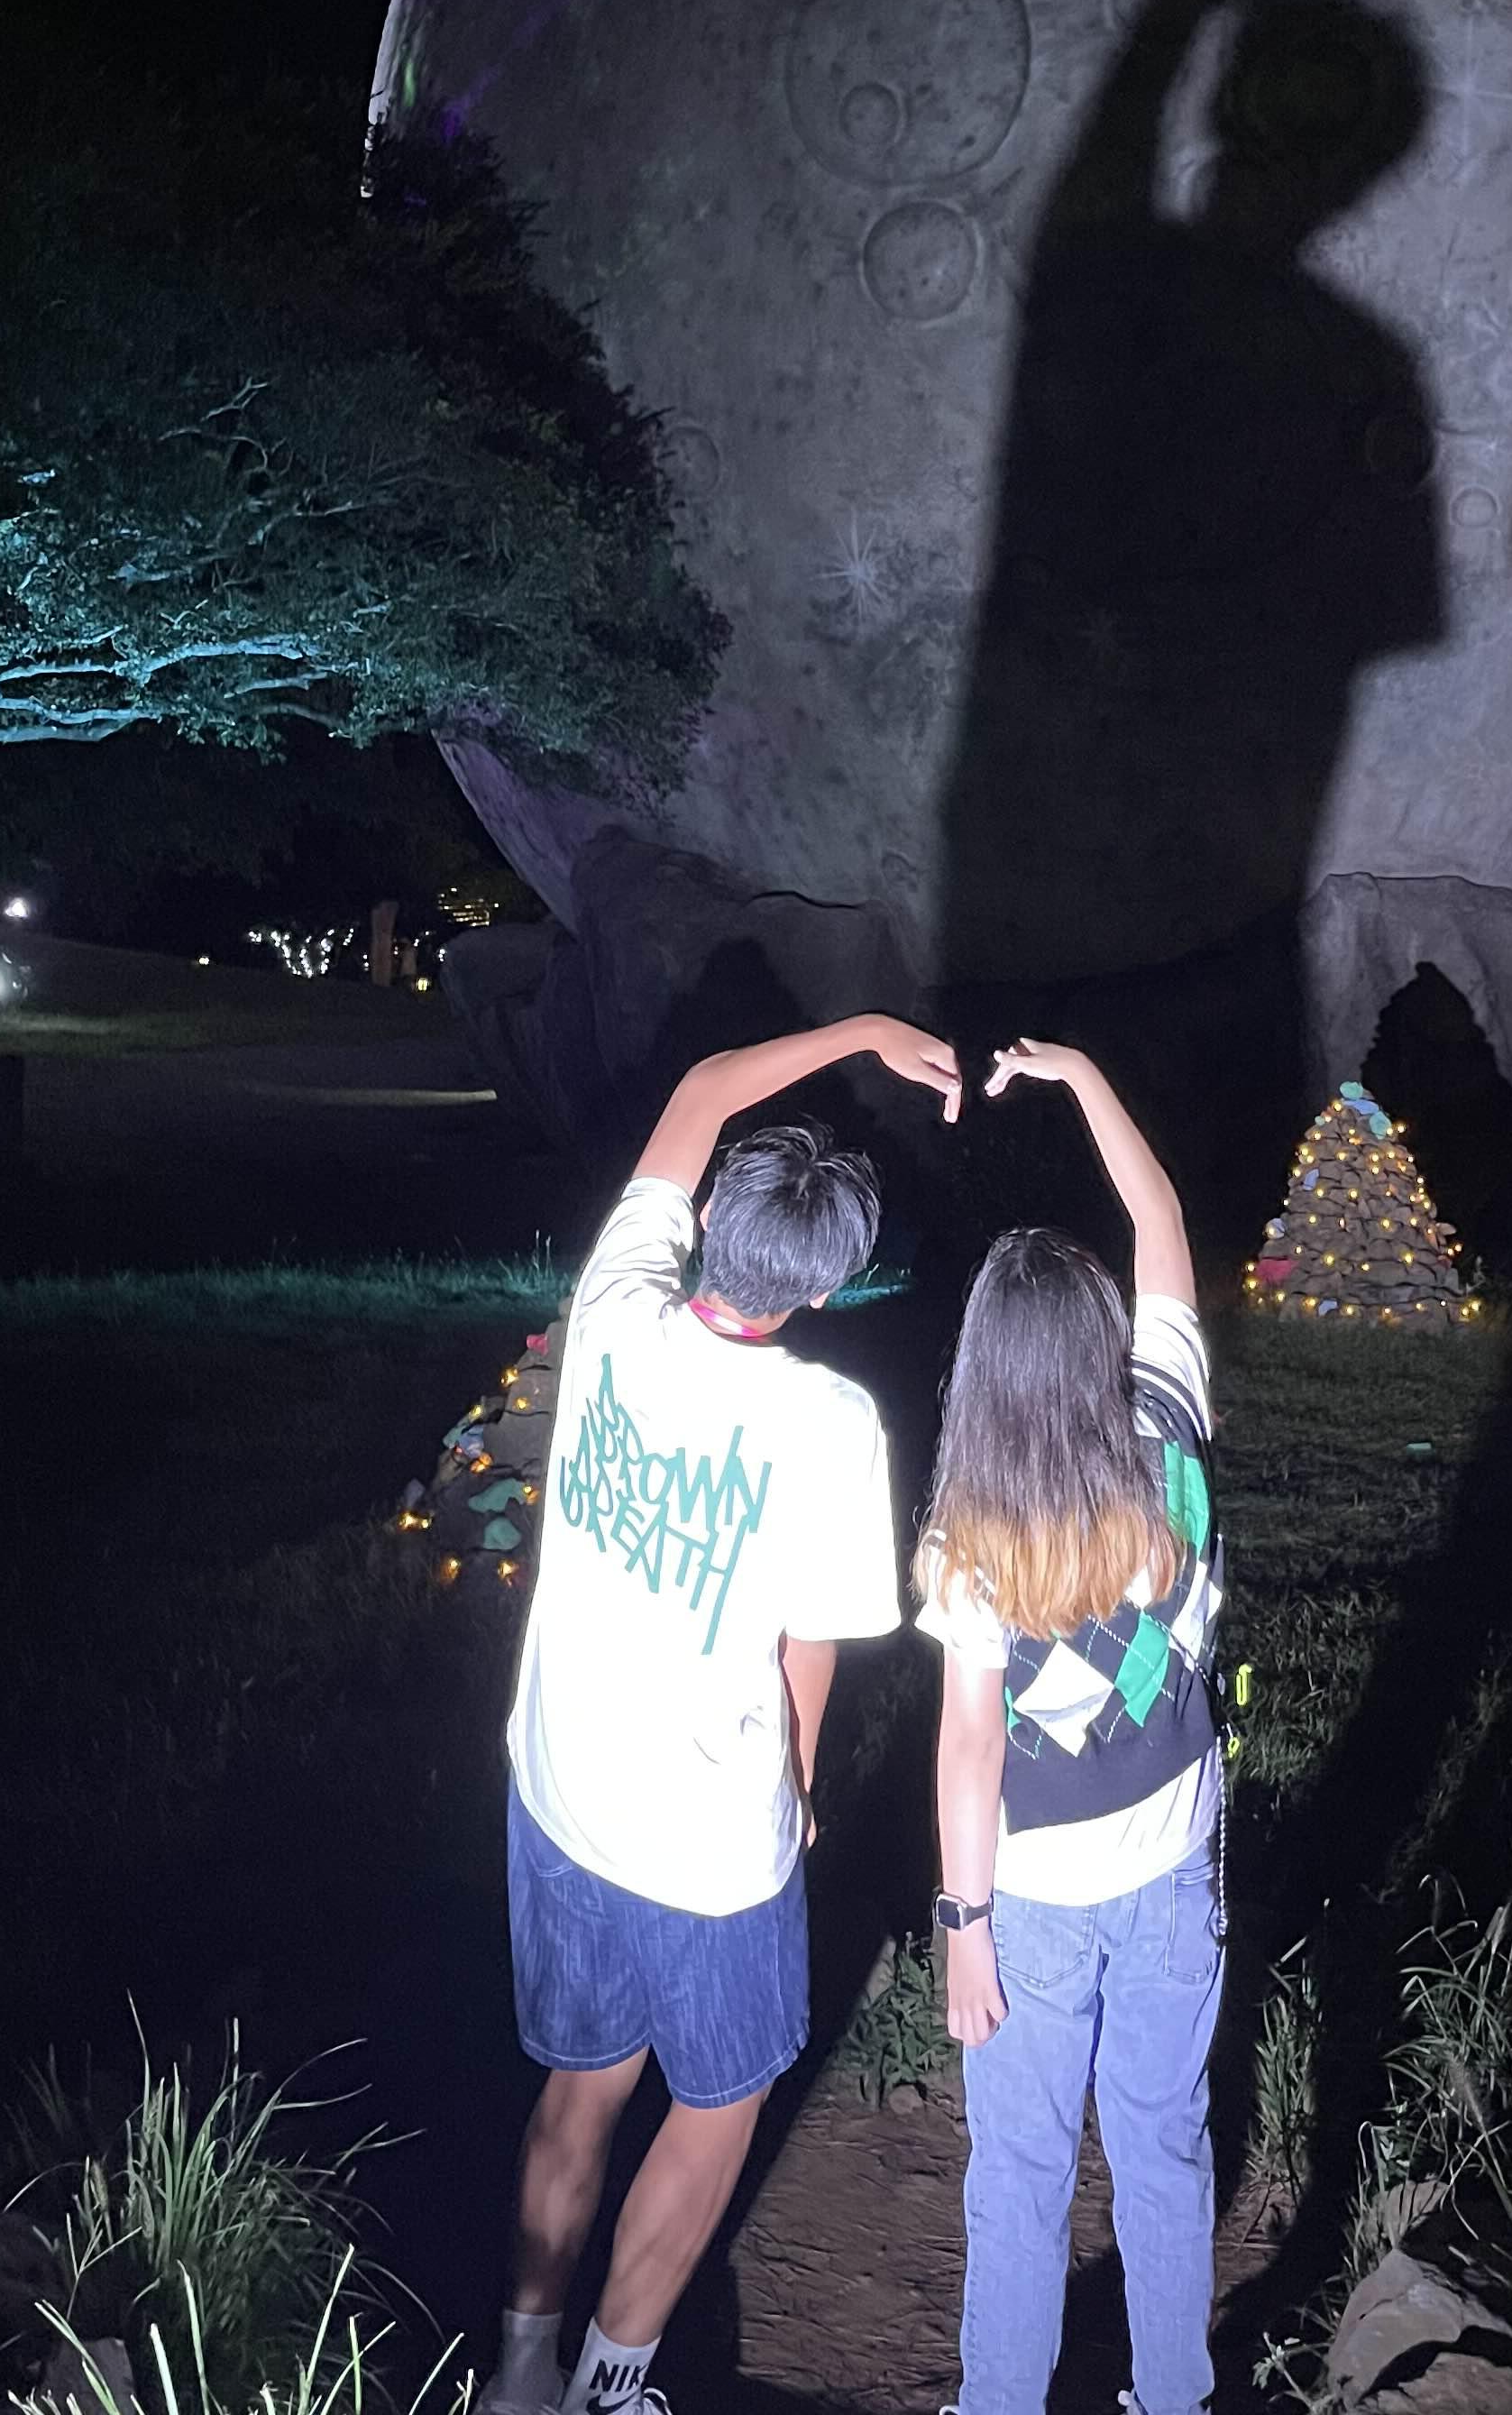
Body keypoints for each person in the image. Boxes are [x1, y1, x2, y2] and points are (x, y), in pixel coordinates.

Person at [490, 1012, 962, 2415]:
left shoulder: (614, 1308)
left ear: (704, 1220)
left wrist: (864, 1032)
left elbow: (700, 1087)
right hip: (712, 1849)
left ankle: (519, 2372)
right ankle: (608, 2387)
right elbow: (810, 1639)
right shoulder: (829, 1423)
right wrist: (798, 1785)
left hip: (562, 1794)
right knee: (715, 2105)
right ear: (825, 1286)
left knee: (581, 2088)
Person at [918, 1039, 1226, 2415]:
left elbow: (972, 1745)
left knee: (1022, 2173)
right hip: (1175, 1867)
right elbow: (1159, 1216)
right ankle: (1176, 2398)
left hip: (1033, 1901)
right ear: (1106, 1341)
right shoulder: (1172, 1436)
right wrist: (1089, 1076)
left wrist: (963, 1923)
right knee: (1164, 2148)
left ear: (984, 1371)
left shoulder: (970, 1539)